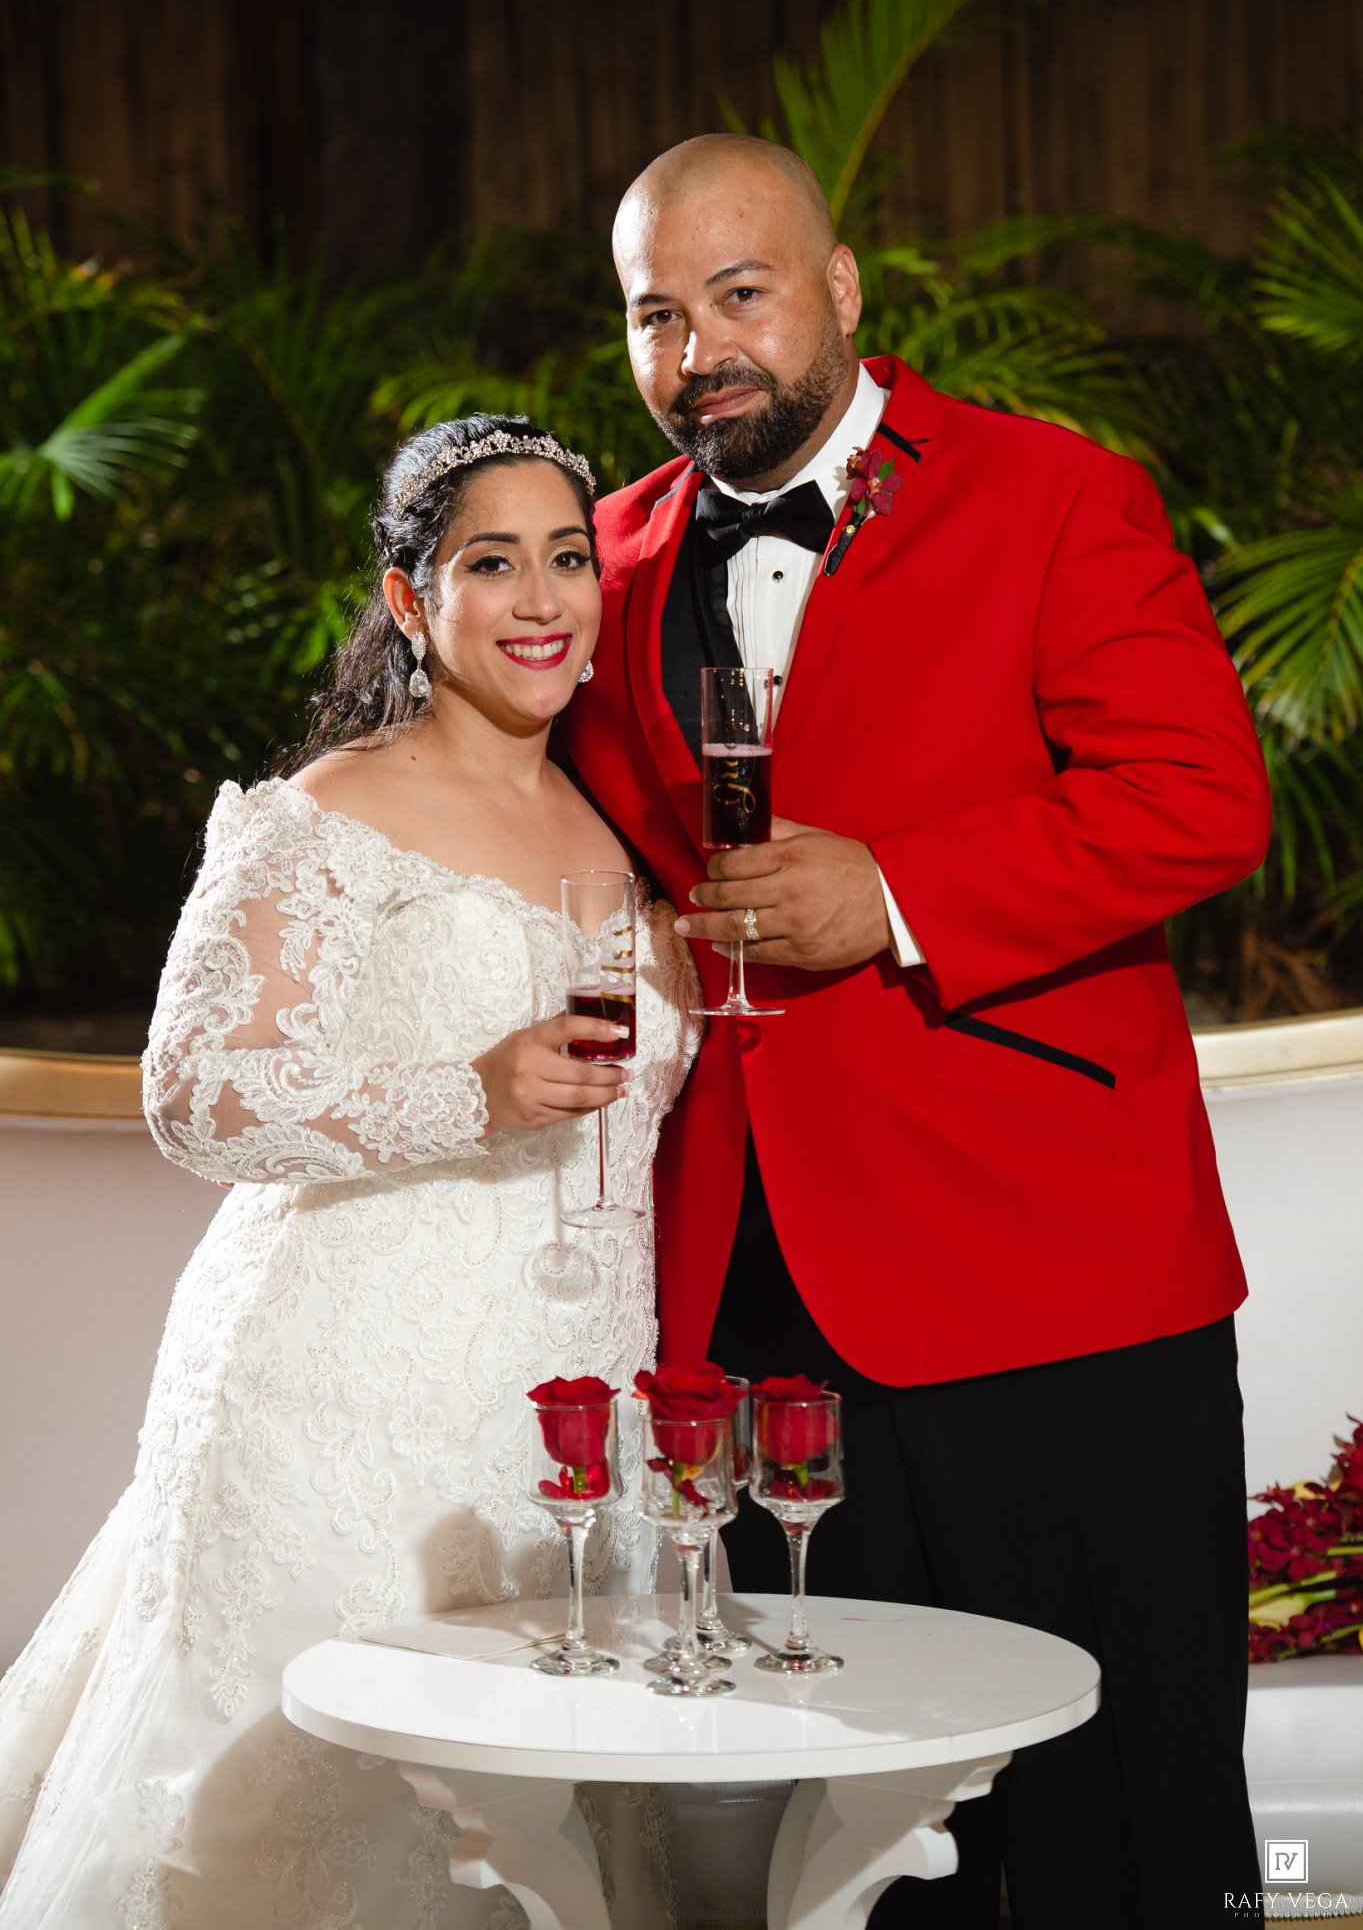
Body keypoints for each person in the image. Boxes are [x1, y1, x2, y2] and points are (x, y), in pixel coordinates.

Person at [566, 134, 1272, 1929]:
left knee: (1122, 1819)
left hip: (1054, 1276)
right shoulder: (600, 559)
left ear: (841, 287)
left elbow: (1200, 800)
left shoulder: (1054, 495)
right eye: (658, 314)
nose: (700, 349)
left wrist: (894, 893)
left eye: (741, 293)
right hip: (755, 1306)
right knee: (851, 1841)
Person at [0, 415, 697, 1928]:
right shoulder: (331, 812)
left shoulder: (625, 826)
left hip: (567, 1417)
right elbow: (194, 1097)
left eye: (567, 559)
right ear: (409, 600)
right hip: (343, 1396)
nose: (540, 601)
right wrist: (470, 1091)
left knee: (534, 1829)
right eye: (490, 563)